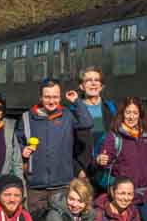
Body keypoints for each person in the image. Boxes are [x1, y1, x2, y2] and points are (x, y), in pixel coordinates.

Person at [16, 79, 93, 213]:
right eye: (47, 97)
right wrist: (23, 150)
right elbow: (17, 143)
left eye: (55, 97)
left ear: (60, 96)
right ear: (40, 97)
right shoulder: (26, 118)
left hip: (62, 185)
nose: (51, 101)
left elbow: (87, 122)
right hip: (36, 186)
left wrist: (77, 101)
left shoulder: (67, 116)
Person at [94, 97, 147, 221]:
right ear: (122, 114)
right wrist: (101, 159)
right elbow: (106, 157)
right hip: (124, 198)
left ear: (140, 115)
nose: (131, 117)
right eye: (128, 112)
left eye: (135, 113)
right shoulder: (114, 136)